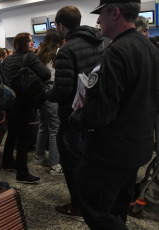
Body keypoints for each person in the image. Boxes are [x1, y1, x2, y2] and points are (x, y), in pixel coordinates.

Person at [69, 0, 159, 228]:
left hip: (109, 151)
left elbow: (100, 112)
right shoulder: (150, 48)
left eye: (102, 14)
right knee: (117, 206)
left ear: (116, 12)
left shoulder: (116, 53)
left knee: (95, 209)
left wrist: (76, 117)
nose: (98, 20)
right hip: (137, 147)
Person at [45, 6, 104, 220]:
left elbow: (62, 89)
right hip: (93, 112)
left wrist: (46, 94)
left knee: (70, 161)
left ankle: (78, 206)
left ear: (61, 26)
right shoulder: (99, 42)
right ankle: (91, 199)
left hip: (71, 115)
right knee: (88, 159)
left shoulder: (67, 50)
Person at [2, 32, 50, 183]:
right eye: (30, 42)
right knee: (23, 138)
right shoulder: (30, 57)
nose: (33, 44)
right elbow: (46, 74)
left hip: (10, 101)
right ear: (23, 44)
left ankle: (7, 162)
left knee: (12, 133)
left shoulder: (7, 59)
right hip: (25, 101)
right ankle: (22, 173)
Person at [35, 29, 62, 175]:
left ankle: (39, 156)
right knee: (54, 128)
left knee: (43, 125)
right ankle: (54, 165)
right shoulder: (57, 54)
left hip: (41, 90)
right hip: (52, 89)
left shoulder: (40, 54)